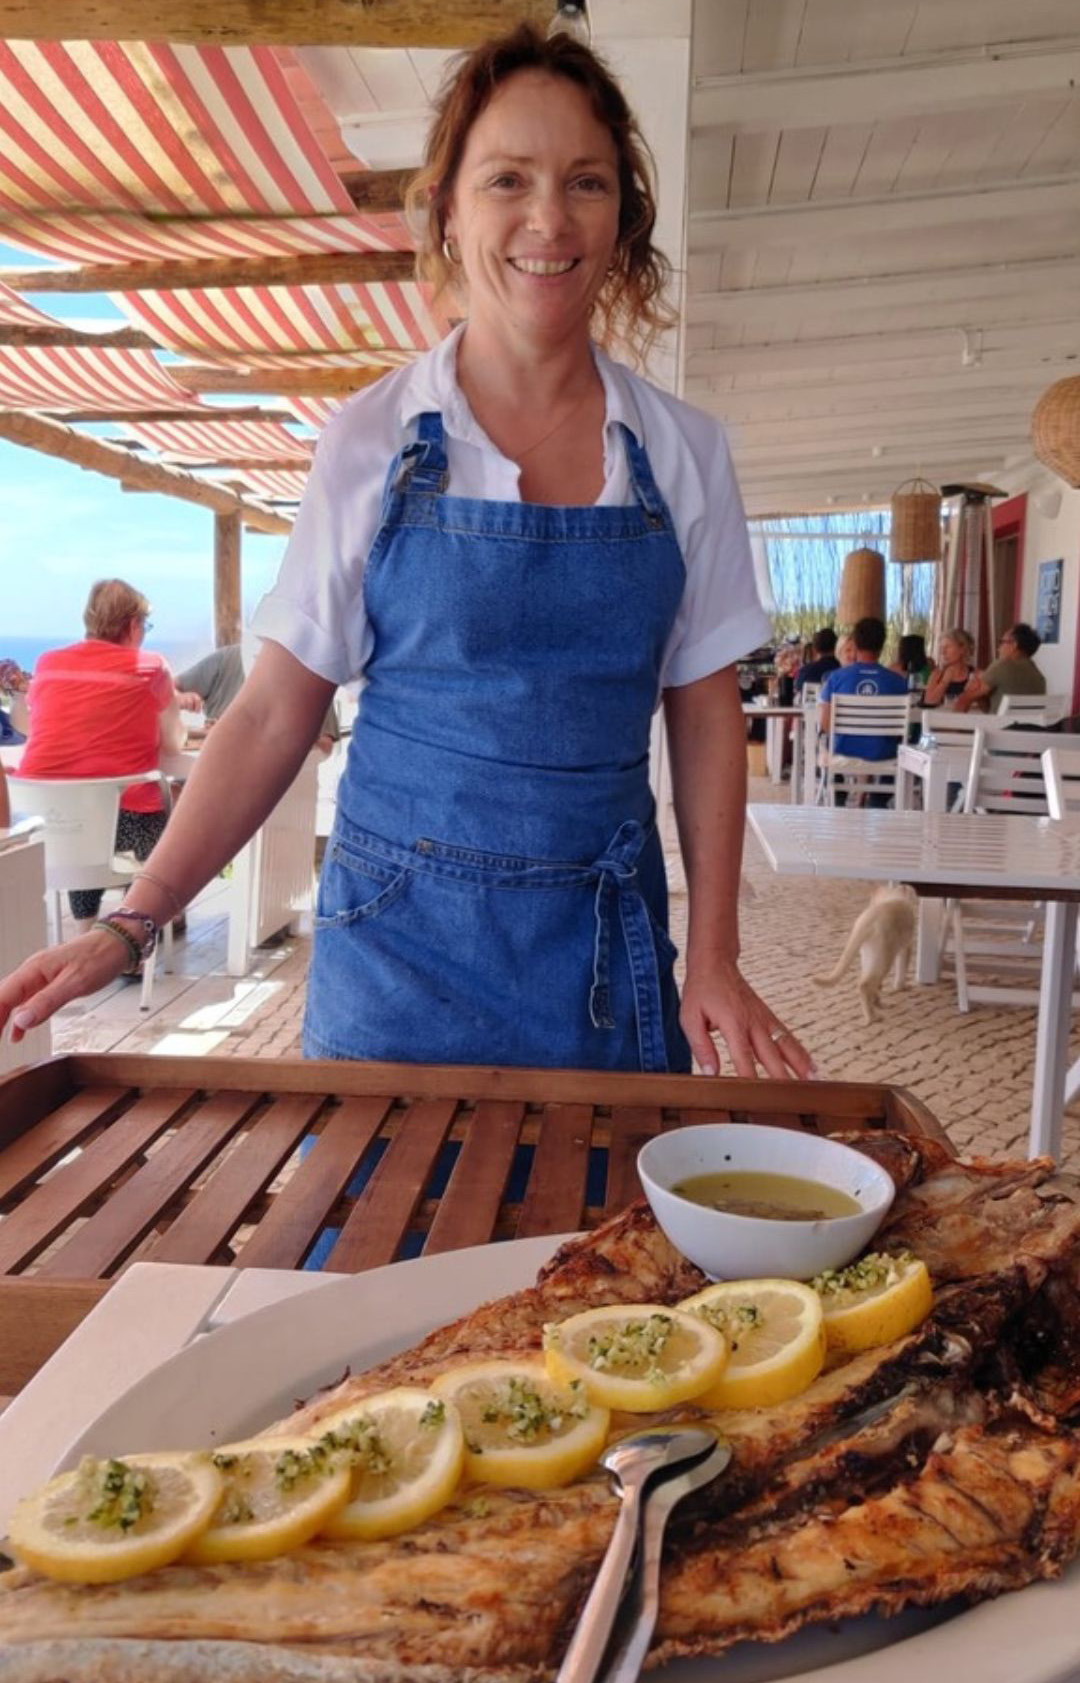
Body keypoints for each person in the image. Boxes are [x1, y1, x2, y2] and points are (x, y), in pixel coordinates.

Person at [0, 24, 810, 1082]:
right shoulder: (370, 438)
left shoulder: (685, 451)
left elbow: (704, 710)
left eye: (587, 182)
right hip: (397, 951)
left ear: (625, 219)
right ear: (448, 208)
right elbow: (273, 709)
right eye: (507, 179)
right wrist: (137, 918)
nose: (548, 219)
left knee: (600, 1249)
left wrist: (714, 956)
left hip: (602, 953)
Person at [14, 580, 184, 926]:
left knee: (85, 809)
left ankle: (85, 929)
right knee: (142, 806)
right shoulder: (151, 667)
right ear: (134, 625)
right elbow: (174, 744)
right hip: (125, 831)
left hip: (49, 828)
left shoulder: (48, 664)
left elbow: (38, 724)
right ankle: (136, 924)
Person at [176, 642, 341, 754]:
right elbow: (167, 689)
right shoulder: (229, 658)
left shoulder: (311, 673)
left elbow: (325, 746)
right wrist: (180, 698)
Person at [818, 616, 908, 806]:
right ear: (882, 646)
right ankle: (877, 802)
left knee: (824, 746)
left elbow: (825, 723)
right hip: (885, 754)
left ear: (856, 644)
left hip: (844, 752)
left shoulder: (836, 678)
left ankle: (838, 800)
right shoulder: (898, 681)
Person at [953, 623, 1047, 714]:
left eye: (1002, 642)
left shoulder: (1002, 665)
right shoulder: (1039, 677)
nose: (998, 648)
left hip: (995, 728)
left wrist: (969, 691)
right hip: (1027, 729)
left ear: (1014, 645)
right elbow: (991, 709)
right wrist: (979, 697)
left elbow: (963, 701)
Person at [922, 627, 979, 710]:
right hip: (939, 721)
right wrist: (945, 681)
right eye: (941, 648)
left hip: (967, 721)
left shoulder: (976, 674)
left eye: (948, 647)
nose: (943, 652)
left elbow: (986, 707)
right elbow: (929, 702)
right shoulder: (937, 674)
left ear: (962, 649)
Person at [794, 627, 839, 694]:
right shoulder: (844, 671)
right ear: (836, 646)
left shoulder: (806, 671)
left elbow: (798, 690)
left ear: (815, 649)